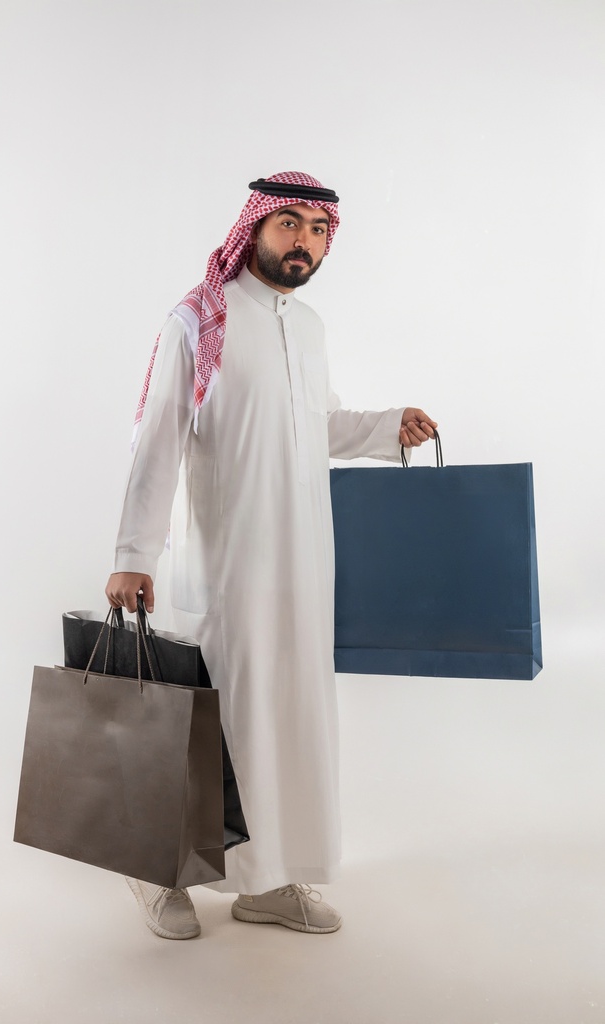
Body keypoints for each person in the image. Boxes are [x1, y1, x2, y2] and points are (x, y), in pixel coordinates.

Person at [105, 170, 437, 940]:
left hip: (301, 561)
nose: (303, 241)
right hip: (222, 566)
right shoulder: (196, 319)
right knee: (203, 720)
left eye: (317, 229)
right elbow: (158, 442)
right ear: (252, 228)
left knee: (288, 719)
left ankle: (267, 879)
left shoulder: (308, 325)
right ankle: (160, 873)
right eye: (287, 223)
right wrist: (133, 553)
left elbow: (312, 426)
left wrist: (389, 427)